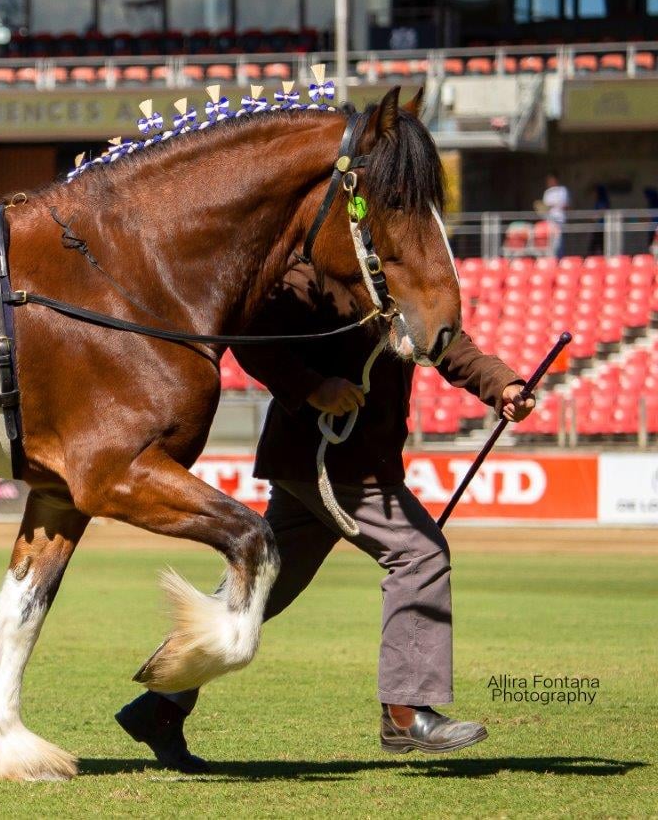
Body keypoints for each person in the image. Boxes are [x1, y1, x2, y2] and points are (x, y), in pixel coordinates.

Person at [115, 261, 536, 771]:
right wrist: (313, 387)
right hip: (329, 460)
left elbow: (443, 342)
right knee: (420, 556)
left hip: (333, 462)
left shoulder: (398, 270)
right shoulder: (307, 273)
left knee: (261, 589)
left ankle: (159, 708)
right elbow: (251, 336)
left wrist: (503, 385)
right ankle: (405, 711)